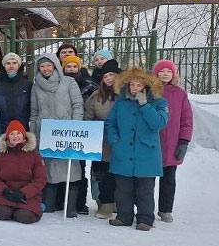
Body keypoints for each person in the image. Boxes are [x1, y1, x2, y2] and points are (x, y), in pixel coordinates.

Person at [106, 68, 169, 230]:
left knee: (145, 190)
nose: (134, 87)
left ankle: (145, 219)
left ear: (146, 85)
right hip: (123, 152)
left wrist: (145, 105)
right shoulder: (121, 102)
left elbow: (158, 123)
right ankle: (123, 216)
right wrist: (115, 141)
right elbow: (110, 123)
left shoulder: (159, 102)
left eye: (138, 84)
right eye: (132, 84)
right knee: (123, 189)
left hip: (147, 154)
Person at [29, 53, 83, 217]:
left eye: (48, 65)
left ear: (55, 66)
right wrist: (33, 134)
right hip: (45, 131)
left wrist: (75, 126)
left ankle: (70, 206)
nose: (45, 69)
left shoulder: (68, 82)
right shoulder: (36, 85)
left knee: (70, 167)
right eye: (42, 66)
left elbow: (77, 105)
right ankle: (50, 203)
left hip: (67, 131)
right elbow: (34, 111)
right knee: (49, 167)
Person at [0, 53, 32, 197]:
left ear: (19, 65)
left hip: (21, 126)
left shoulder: (27, 84)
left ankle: (20, 186)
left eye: (14, 63)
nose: (11, 66)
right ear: (3, 65)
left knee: (20, 158)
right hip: (1, 125)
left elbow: (31, 106)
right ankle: (0, 187)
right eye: (8, 63)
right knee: (2, 159)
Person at [153, 60, 194, 223]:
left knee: (169, 178)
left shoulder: (180, 94)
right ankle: (145, 208)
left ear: (173, 74)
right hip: (153, 141)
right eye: (161, 71)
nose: (165, 74)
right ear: (155, 73)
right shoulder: (150, 92)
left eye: (168, 71)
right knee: (147, 179)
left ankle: (165, 209)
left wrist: (184, 141)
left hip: (172, 142)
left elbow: (187, 119)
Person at [0, 120, 46, 224]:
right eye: (12, 134)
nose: (15, 136)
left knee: (24, 217)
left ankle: (36, 207)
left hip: (28, 195)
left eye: (18, 133)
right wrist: (4, 191)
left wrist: (24, 193)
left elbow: (40, 179)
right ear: (7, 137)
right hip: (6, 193)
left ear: (23, 136)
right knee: (1, 213)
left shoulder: (34, 155)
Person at [85, 59, 121, 219]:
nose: (109, 78)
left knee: (121, 175)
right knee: (103, 174)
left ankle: (121, 203)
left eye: (112, 75)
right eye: (106, 76)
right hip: (101, 141)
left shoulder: (127, 95)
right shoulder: (96, 96)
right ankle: (105, 203)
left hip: (122, 140)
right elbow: (87, 118)